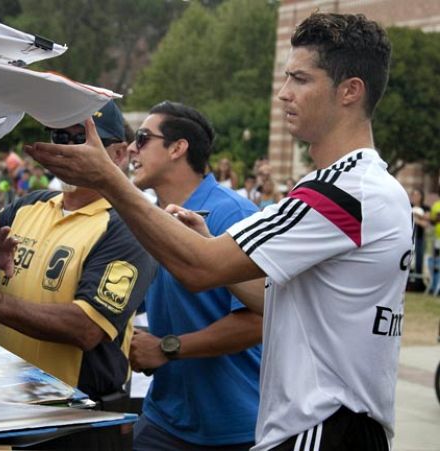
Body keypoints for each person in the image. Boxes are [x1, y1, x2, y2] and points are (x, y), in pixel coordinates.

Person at [27, 12, 409, 450]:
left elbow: (199, 269)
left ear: (350, 91)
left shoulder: (346, 191)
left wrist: (109, 181)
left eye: (300, 79)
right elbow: (277, 298)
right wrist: (211, 246)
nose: (284, 93)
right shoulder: (362, 186)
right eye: (286, 78)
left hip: (321, 429)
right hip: (322, 426)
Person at [0, 101, 157, 407]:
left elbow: (87, 328)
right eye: (59, 138)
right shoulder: (31, 205)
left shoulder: (127, 226)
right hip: (6, 399)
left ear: (119, 154)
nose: (67, 150)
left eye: (81, 141)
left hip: (74, 414)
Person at [127, 101, 262, 450]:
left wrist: (168, 348)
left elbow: (259, 320)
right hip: (163, 418)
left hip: (232, 426)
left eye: (142, 138)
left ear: (177, 147)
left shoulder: (233, 213)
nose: (130, 148)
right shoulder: (150, 217)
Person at [408, 188, 429, 292]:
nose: (415, 197)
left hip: (419, 239)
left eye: (417, 195)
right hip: (408, 239)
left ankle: (418, 284)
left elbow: (426, 223)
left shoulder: (425, 208)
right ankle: (408, 284)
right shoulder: (408, 206)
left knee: (419, 262)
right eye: (413, 195)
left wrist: (416, 218)